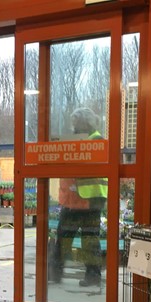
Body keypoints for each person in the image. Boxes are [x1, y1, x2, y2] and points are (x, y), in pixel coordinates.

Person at [49, 107, 108, 287]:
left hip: (85, 199)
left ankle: (60, 274)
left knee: (74, 239)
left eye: (75, 123)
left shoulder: (94, 141)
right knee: (83, 239)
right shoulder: (87, 140)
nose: (73, 126)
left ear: (84, 123)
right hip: (82, 200)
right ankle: (88, 275)